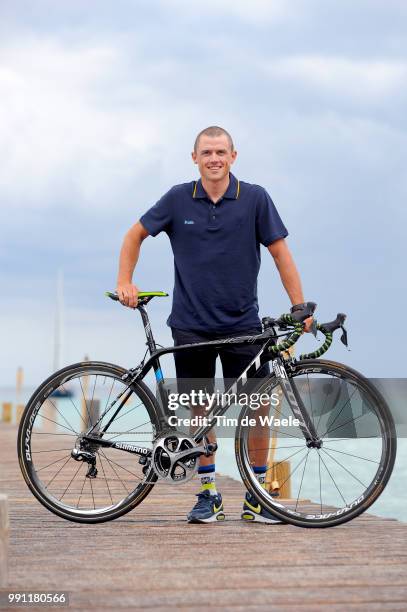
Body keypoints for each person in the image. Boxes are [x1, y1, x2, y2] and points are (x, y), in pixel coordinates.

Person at [116, 126, 313, 524]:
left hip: (243, 324)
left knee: (258, 410)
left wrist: (299, 306)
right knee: (199, 412)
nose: (214, 158)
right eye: (206, 152)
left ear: (233, 156)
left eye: (220, 151)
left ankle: (259, 496)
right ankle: (208, 496)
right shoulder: (177, 199)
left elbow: (280, 253)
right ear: (195, 158)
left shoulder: (255, 198)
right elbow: (134, 234)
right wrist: (125, 280)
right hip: (190, 325)